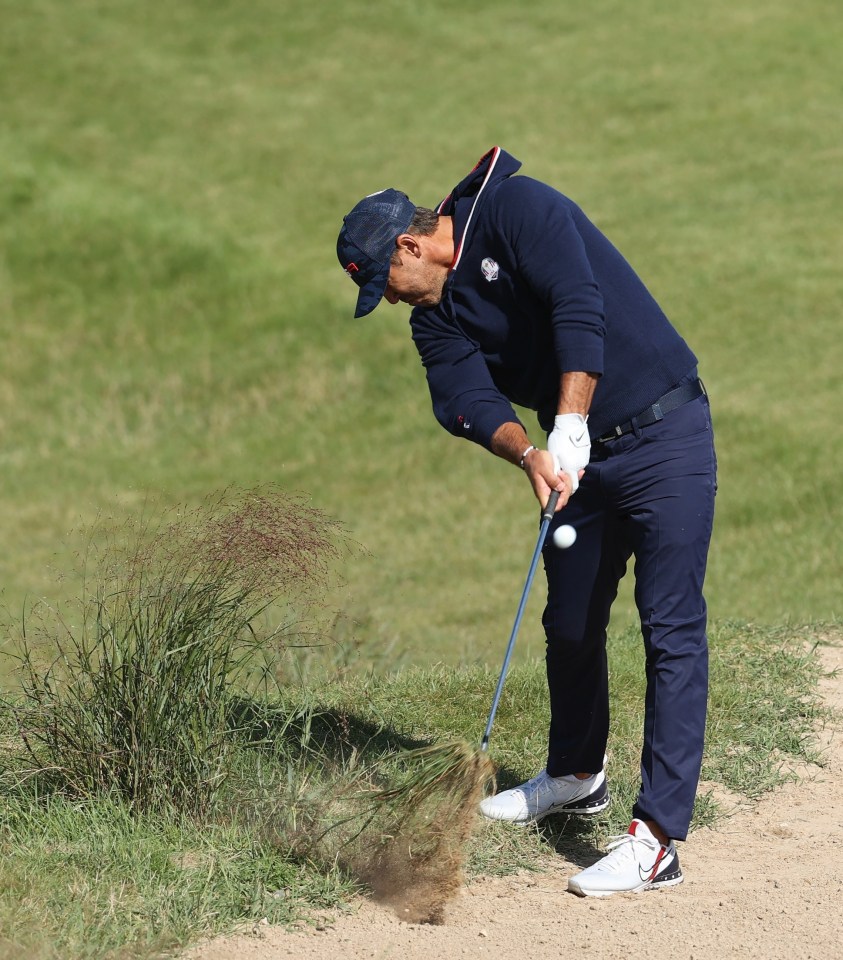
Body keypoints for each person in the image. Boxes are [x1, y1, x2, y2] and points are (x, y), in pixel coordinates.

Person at [336, 147, 717, 898]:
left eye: (386, 283)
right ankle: (577, 773)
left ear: (410, 246)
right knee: (570, 622)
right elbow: (460, 398)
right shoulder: (433, 318)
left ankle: (657, 840)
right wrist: (531, 455)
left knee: (668, 627)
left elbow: (579, 302)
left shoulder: (517, 209)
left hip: (664, 433)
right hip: (579, 465)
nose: (391, 300)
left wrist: (569, 418)